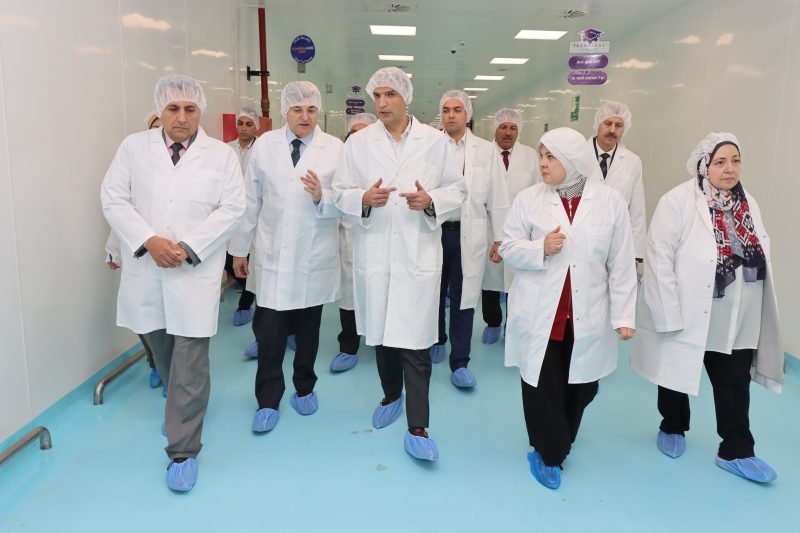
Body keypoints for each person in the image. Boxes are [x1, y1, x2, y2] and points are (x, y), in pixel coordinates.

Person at [101, 74, 245, 492]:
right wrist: (150, 241)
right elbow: (113, 198)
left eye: (190, 109)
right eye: (173, 109)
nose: (182, 117)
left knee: (190, 359)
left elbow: (233, 207)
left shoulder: (221, 156)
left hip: (193, 270)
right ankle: (180, 404)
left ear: (201, 111)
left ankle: (183, 449)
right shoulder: (133, 148)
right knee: (161, 348)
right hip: (147, 267)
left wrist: (187, 246)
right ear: (160, 111)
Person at [630, 132, 783, 483]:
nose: (730, 169)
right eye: (720, 162)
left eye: (736, 161)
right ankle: (672, 425)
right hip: (689, 308)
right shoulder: (677, 202)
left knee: (735, 382)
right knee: (676, 373)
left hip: (737, 312)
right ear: (704, 166)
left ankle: (736, 450)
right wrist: (666, 311)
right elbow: (659, 259)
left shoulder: (748, 202)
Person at [332, 67, 466, 461]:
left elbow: (457, 189)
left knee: (416, 343)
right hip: (375, 253)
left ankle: (418, 425)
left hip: (417, 253)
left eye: (390, 94)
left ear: (406, 97)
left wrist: (432, 201)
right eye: (377, 95)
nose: (382, 102)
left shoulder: (435, 142)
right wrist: (361, 199)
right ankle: (391, 394)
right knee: (381, 335)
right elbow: (339, 192)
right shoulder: (359, 144)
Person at [500, 127, 637, 490]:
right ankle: (549, 452)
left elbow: (621, 263)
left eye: (550, 157)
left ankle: (559, 439)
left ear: (572, 161)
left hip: (586, 314)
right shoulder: (529, 199)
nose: (542, 164)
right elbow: (508, 247)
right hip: (541, 314)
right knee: (542, 386)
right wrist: (540, 248)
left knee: (581, 386)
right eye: (541, 156)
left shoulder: (609, 202)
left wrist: (624, 315)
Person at [230, 81, 344, 434]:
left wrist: (323, 196)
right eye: (297, 110)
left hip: (313, 254)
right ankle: (267, 400)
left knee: (308, 333)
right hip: (271, 255)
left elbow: (346, 201)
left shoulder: (335, 149)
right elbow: (250, 201)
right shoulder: (265, 145)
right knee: (270, 335)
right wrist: (239, 249)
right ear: (285, 111)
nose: (305, 117)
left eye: (311, 110)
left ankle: (305, 387)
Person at [431, 90, 509, 388]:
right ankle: (436, 339)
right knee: (432, 292)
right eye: (446, 110)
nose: (451, 115)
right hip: (434, 231)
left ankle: (460, 361)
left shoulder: (485, 151)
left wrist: (500, 238)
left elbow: (498, 198)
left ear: (468, 115)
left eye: (457, 110)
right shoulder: (430, 146)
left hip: (469, 234)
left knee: (464, 299)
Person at [105, 112, 164, 391]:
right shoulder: (134, 162)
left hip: (175, 258)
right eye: (155, 128)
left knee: (174, 322)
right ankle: (155, 363)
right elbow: (120, 212)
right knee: (144, 319)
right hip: (140, 254)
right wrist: (113, 250)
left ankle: (173, 373)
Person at [480, 108, 540, 344]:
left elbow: (539, 191)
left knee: (517, 282)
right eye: (503, 127)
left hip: (520, 229)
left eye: (513, 128)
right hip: (487, 227)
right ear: (494, 129)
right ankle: (492, 322)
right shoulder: (483, 153)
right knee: (490, 281)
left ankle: (512, 325)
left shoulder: (530, 156)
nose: (507, 132)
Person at [329, 112, 378, 373]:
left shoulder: (384, 160)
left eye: (364, 134)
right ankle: (348, 346)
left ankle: (381, 341)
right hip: (348, 235)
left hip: (378, 236)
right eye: (353, 134)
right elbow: (334, 195)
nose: (357, 139)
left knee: (379, 292)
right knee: (348, 294)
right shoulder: (339, 160)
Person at [587, 101, 646, 261]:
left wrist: (636, 255)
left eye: (619, 125)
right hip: (582, 238)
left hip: (616, 241)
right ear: (598, 124)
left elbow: (637, 211)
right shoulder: (580, 155)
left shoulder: (633, 161)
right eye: (608, 123)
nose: (612, 130)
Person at [225, 106, 259, 327]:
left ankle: (245, 304)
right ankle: (250, 290)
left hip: (256, 212)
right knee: (230, 260)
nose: (244, 128)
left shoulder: (263, 149)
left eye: (248, 124)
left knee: (252, 258)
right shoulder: (226, 149)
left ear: (256, 127)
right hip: (231, 210)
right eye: (240, 123)